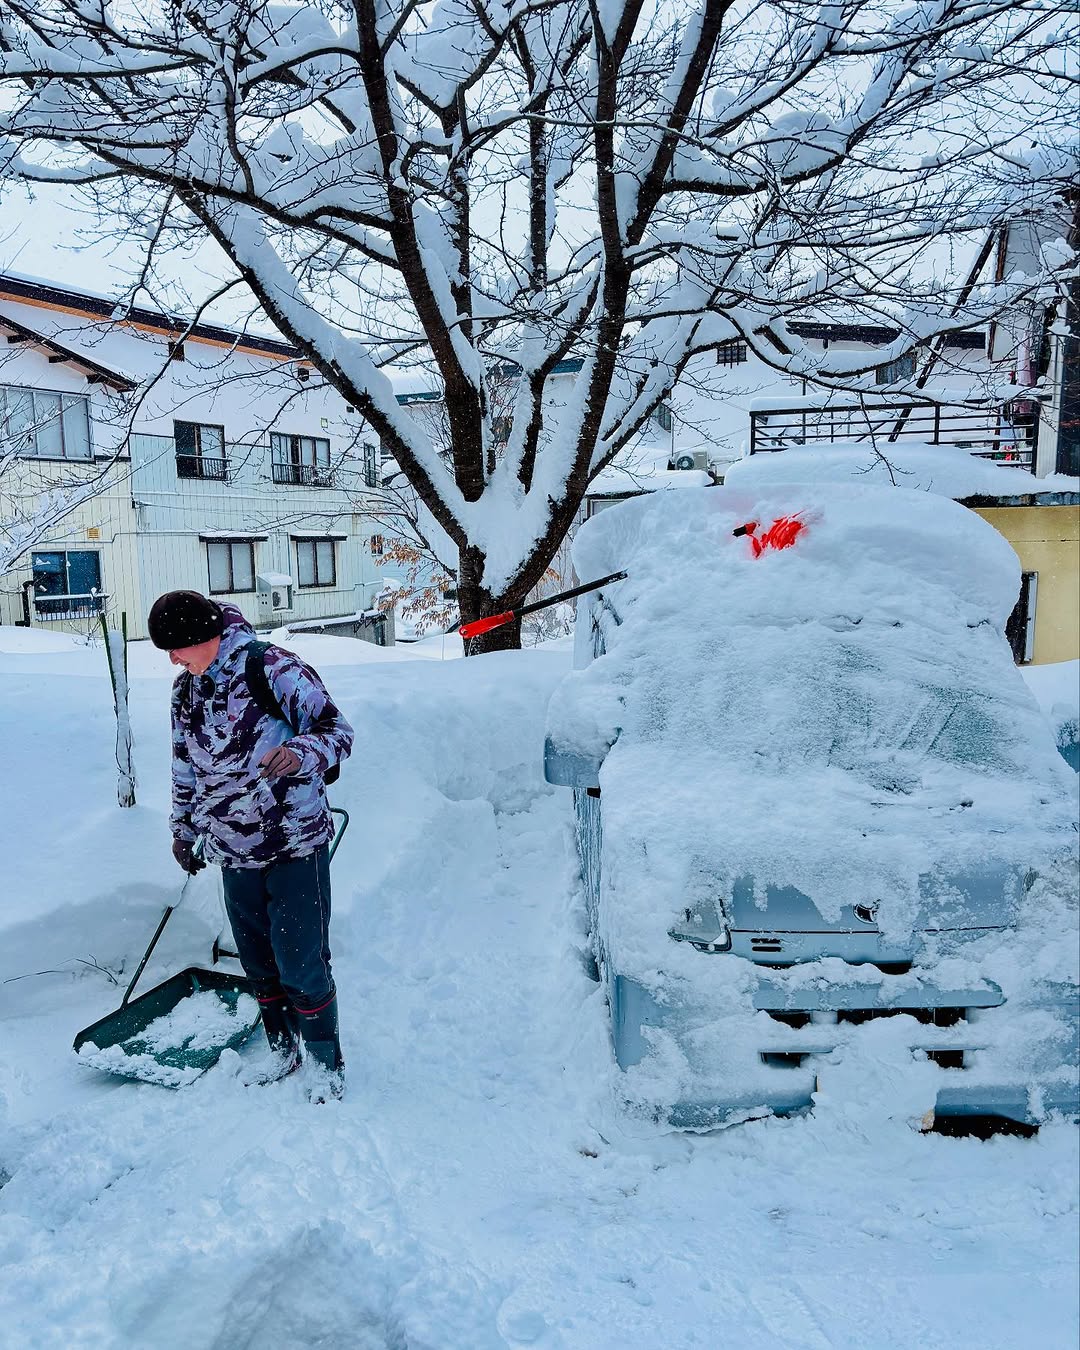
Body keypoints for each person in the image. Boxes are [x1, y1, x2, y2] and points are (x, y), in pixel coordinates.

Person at [148, 589, 354, 1101]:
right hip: (233, 850)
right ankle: (284, 1049)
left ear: (204, 636)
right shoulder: (185, 692)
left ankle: (326, 1064)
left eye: (176, 648)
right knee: (259, 963)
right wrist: (184, 828)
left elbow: (337, 731)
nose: (173, 660)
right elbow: (184, 766)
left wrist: (300, 751)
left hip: (292, 844)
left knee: (302, 963)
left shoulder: (274, 668)